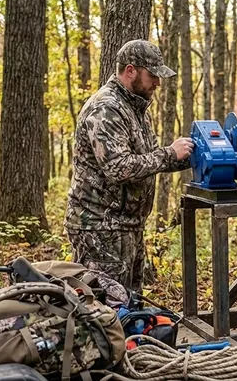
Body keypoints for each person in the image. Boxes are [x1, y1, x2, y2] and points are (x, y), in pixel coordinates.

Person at [64, 39, 195, 292]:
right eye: (152, 75)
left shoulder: (136, 108)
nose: (157, 82)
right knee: (103, 310)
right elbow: (118, 167)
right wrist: (170, 153)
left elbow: (148, 160)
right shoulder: (106, 108)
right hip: (101, 228)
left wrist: (193, 155)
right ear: (130, 70)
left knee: (129, 306)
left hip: (128, 226)